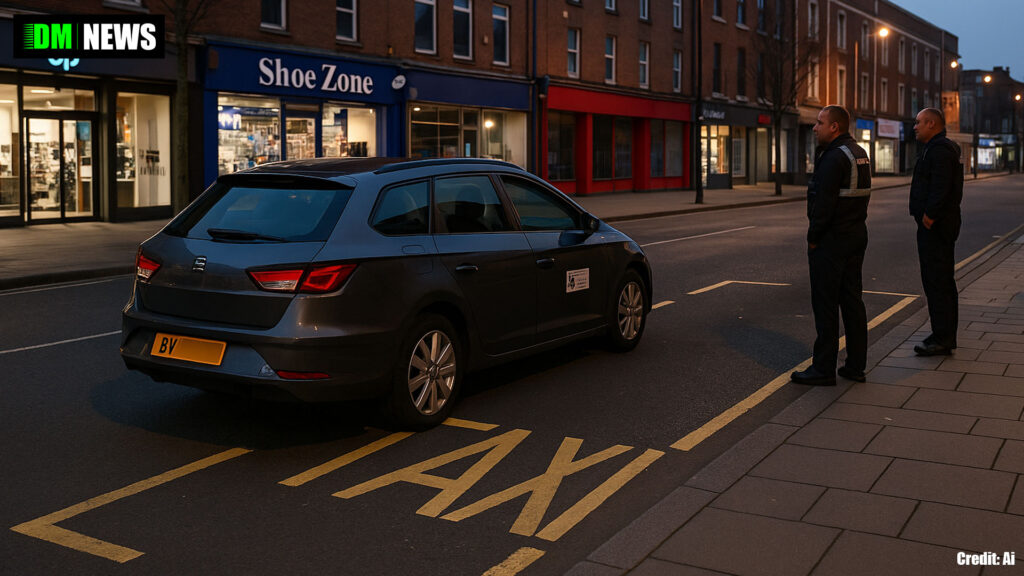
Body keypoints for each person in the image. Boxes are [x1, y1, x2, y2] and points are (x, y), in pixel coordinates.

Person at [792, 105, 872, 386]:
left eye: (819, 123)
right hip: (855, 235)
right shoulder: (859, 154)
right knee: (852, 302)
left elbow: (823, 205)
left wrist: (813, 238)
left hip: (832, 241)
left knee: (825, 306)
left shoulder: (833, 158)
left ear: (834, 127)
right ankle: (855, 366)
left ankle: (823, 368)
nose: (815, 128)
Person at [909, 108, 964, 356]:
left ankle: (942, 337)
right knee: (939, 281)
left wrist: (930, 216)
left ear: (932, 124)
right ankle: (942, 333)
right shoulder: (937, 148)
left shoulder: (940, 149)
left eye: (919, 122)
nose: (915, 126)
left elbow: (941, 186)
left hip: (937, 227)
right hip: (938, 226)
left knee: (937, 282)